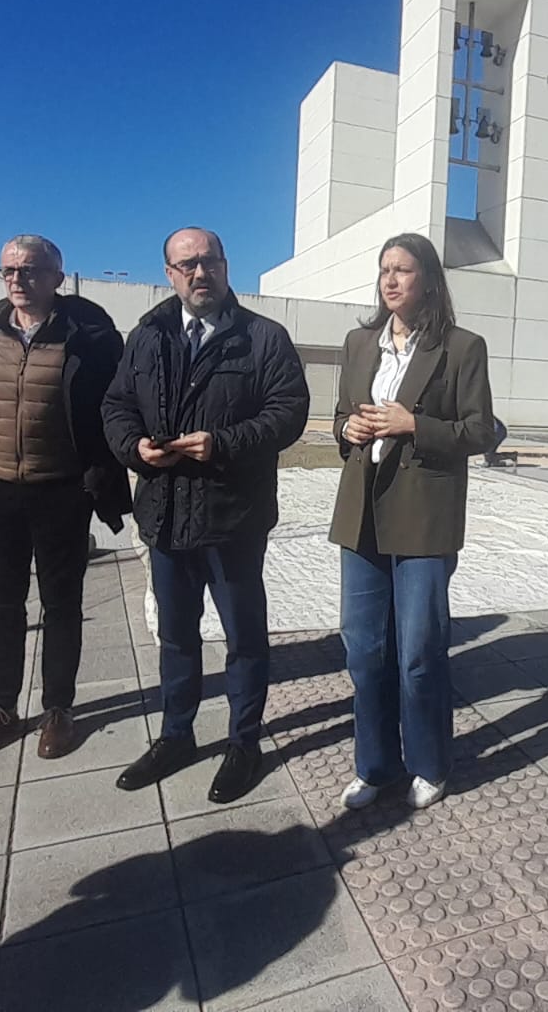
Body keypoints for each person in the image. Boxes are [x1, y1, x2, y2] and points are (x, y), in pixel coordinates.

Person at [104, 227, 308, 802]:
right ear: (168, 274)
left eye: (210, 262)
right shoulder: (148, 335)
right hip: (166, 514)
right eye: (186, 264)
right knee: (176, 636)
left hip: (233, 517)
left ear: (225, 266)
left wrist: (221, 442)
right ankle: (176, 735)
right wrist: (133, 447)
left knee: (243, 638)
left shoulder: (263, 338)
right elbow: (116, 404)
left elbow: (287, 413)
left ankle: (244, 743)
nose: (200, 273)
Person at [331, 232, 497, 811]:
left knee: (420, 653)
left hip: (424, 517)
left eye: (402, 269)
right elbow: (340, 415)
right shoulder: (358, 344)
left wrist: (414, 425)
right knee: (362, 650)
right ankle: (375, 767)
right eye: (383, 270)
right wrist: (345, 430)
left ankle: (429, 762)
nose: (390, 280)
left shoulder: (461, 348)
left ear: (427, 277)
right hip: (361, 518)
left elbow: (482, 432)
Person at [0, 234, 130, 761]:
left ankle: (59, 710)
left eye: (29, 271)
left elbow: (109, 409)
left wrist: (96, 477)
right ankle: (0, 708)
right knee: (1, 606)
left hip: (60, 493)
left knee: (61, 607)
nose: (17, 281)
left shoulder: (90, 337)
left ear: (57, 277)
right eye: (8, 271)